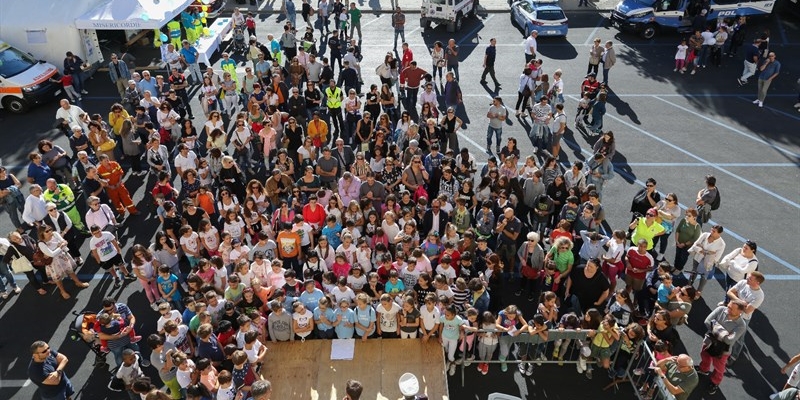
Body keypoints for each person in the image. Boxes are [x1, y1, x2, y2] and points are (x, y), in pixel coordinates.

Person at [698, 300, 747, 394]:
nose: (727, 309)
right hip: (708, 342)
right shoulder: (721, 309)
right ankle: (704, 369)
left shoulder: (741, 325)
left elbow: (729, 340)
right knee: (704, 356)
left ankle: (715, 382)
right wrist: (724, 333)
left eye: (731, 308)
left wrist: (715, 325)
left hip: (722, 350)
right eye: (728, 306)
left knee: (719, 368)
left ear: (740, 312)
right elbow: (707, 322)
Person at [725, 271, 765, 363]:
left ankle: (733, 356)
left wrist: (735, 298)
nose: (747, 279)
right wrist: (742, 303)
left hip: (742, 319)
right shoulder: (743, 282)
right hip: (732, 312)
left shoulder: (759, 296)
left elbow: (747, 310)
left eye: (750, 278)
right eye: (748, 277)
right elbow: (729, 292)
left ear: (757, 283)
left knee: (738, 338)